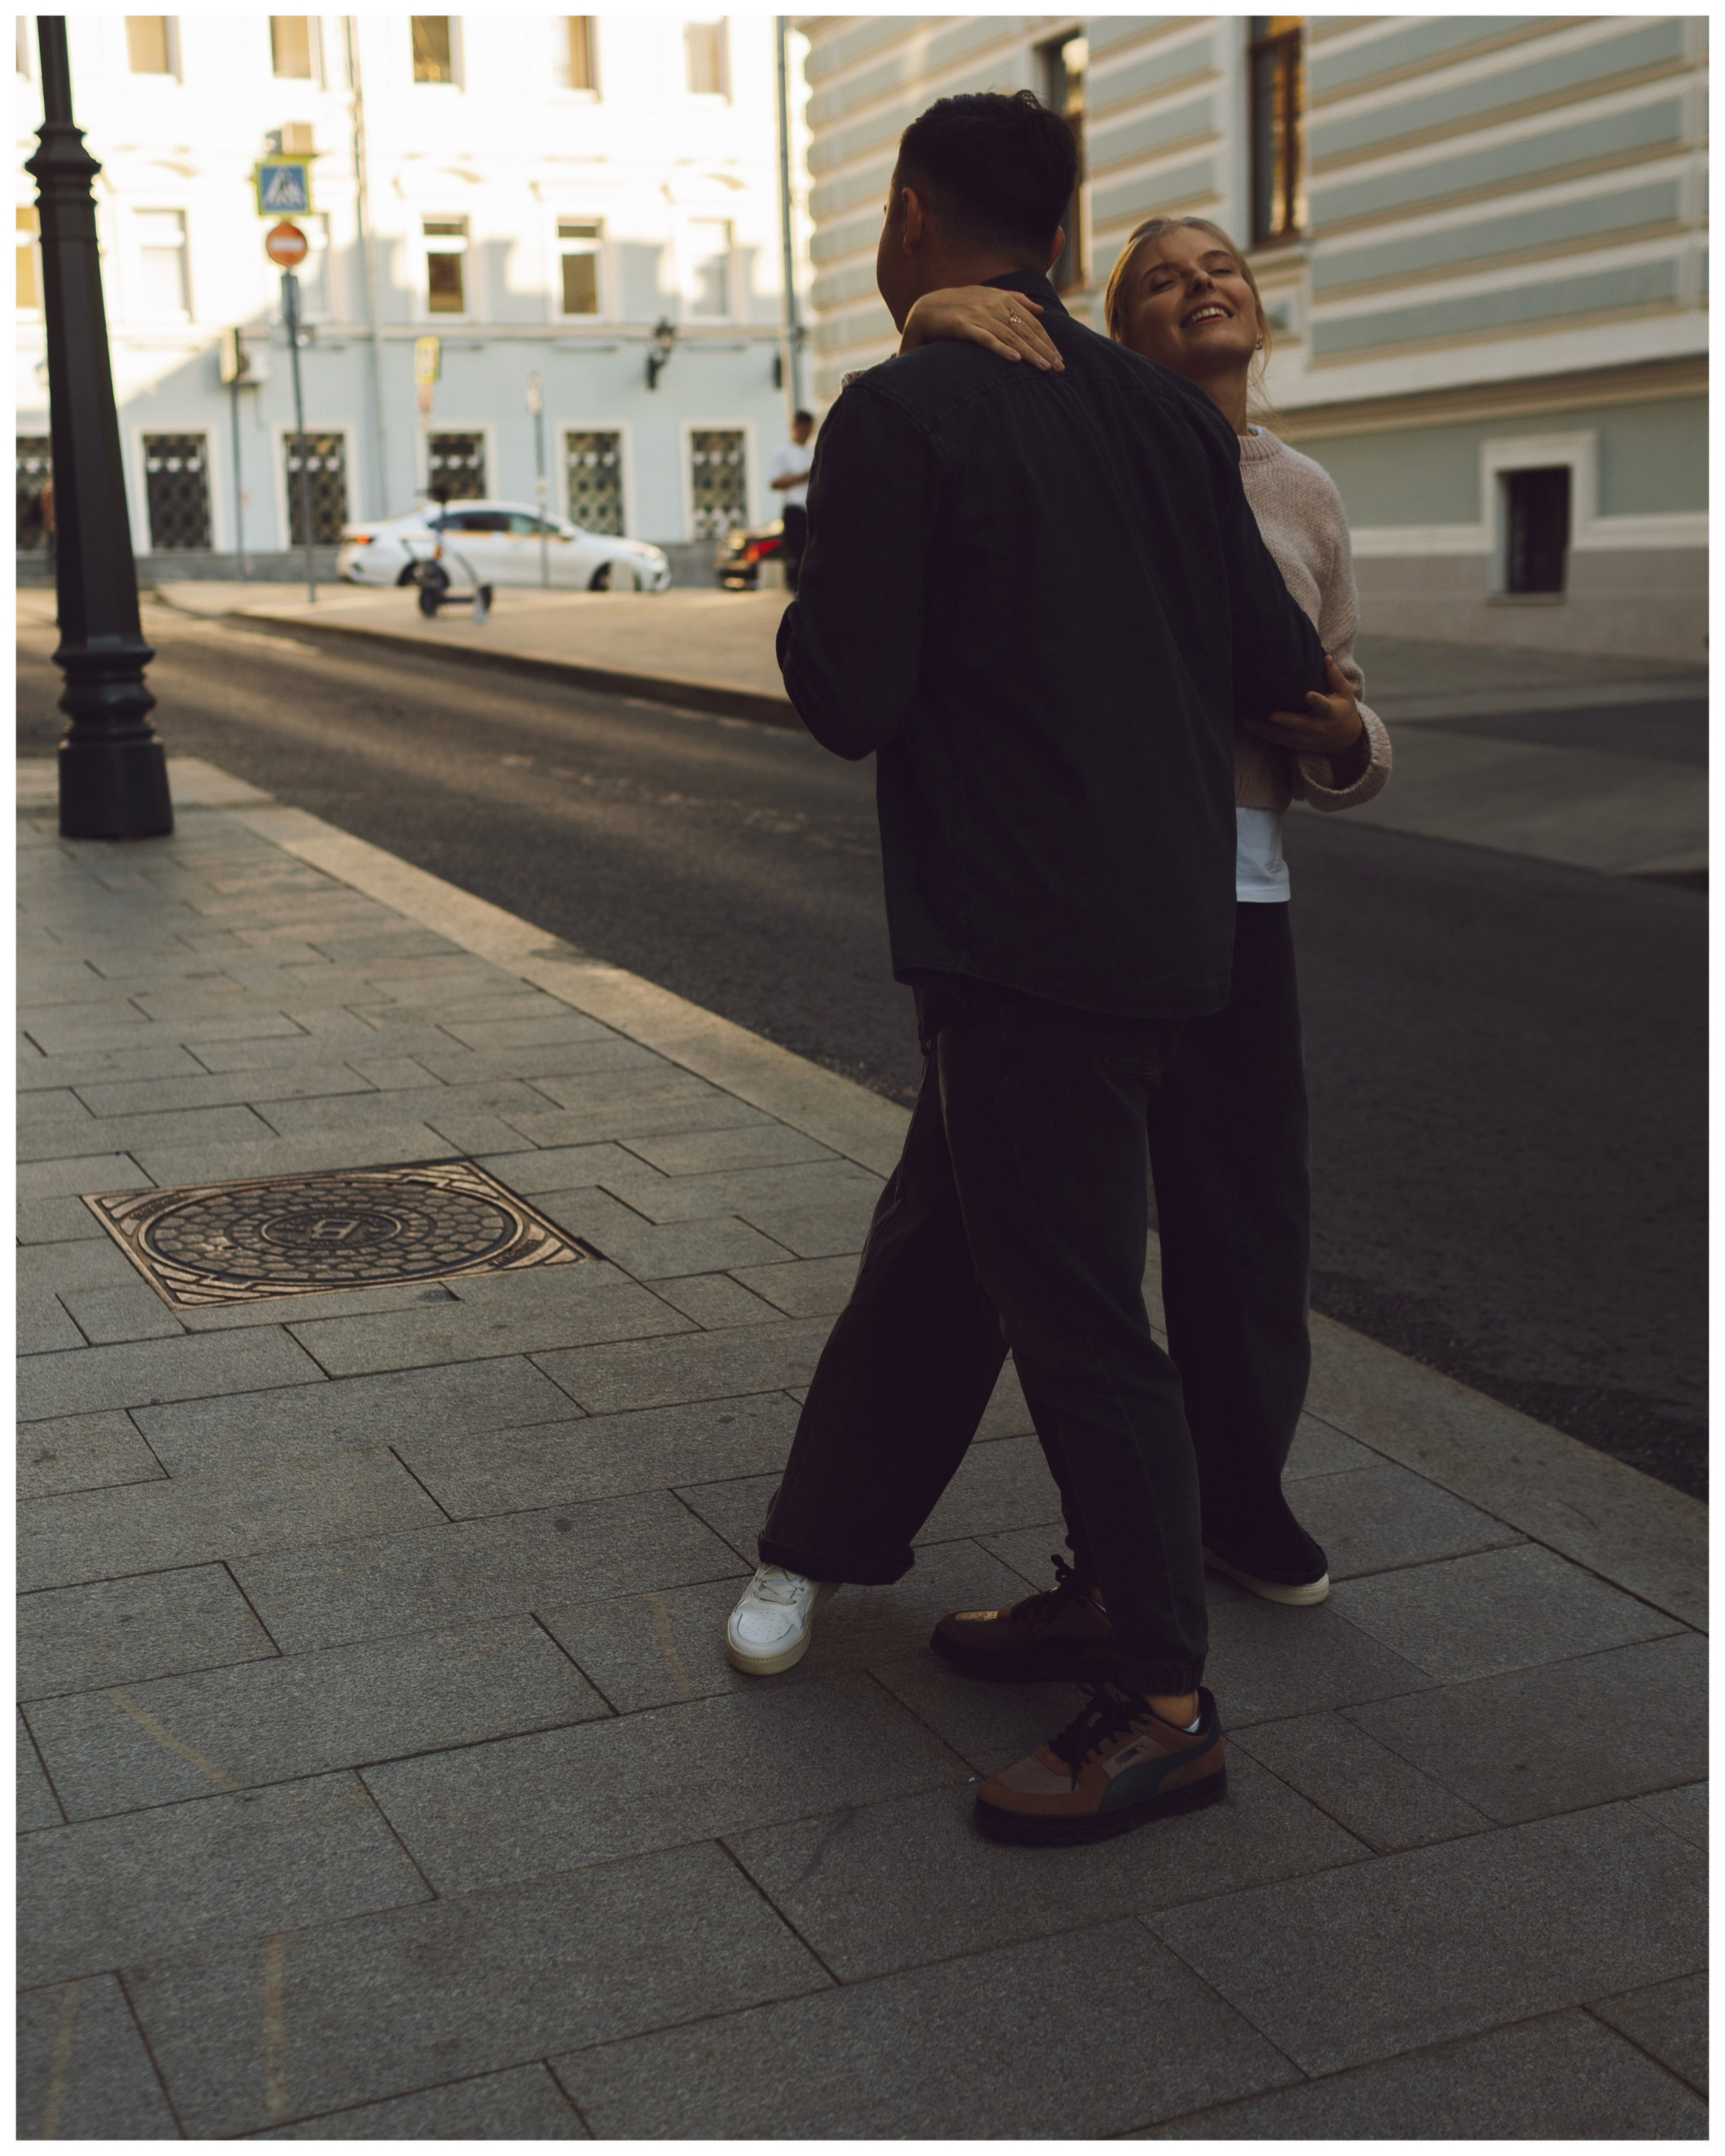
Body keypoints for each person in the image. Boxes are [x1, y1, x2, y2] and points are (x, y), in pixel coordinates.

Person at [722, 90, 1327, 1849]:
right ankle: (923, 1562)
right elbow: (1272, 653)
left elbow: (853, 693)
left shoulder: (905, 408)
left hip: (1017, 940)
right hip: (1172, 931)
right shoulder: (1155, 411)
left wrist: (810, 588)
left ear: (909, 212)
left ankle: (1159, 1701)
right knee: (956, 1246)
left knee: (1075, 1323)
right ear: (1061, 226)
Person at [894, 218, 1391, 1631]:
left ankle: (1239, 1496)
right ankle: (1113, 1551)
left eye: (1218, 264)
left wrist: (1346, 734)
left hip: (1243, 895)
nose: (1201, 283)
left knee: (1245, 1227)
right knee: (1071, 1252)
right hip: (1085, 906)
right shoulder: (1078, 443)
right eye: (1160, 278)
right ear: (1115, 327)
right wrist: (933, 324)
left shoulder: (1301, 492)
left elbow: (1346, 701)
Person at [766, 410, 815, 590]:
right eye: (802, 429)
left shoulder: (812, 452)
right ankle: (797, 591)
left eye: (808, 430)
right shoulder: (783, 453)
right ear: (795, 428)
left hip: (811, 511)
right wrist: (801, 476)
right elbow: (774, 482)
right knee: (798, 554)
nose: (805, 433)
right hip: (795, 511)